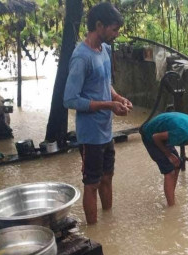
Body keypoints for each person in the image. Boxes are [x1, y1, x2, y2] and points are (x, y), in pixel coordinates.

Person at [63, 2, 133, 224]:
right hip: (90, 134)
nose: (116, 34)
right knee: (91, 184)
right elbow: (70, 99)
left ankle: (108, 224)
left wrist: (118, 98)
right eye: (114, 29)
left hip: (106, 131)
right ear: (99, 26)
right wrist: (108, 106)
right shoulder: (80, 57)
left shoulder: (105, 50)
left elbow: (105, 83)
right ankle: (95, 234)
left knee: (107, 178)